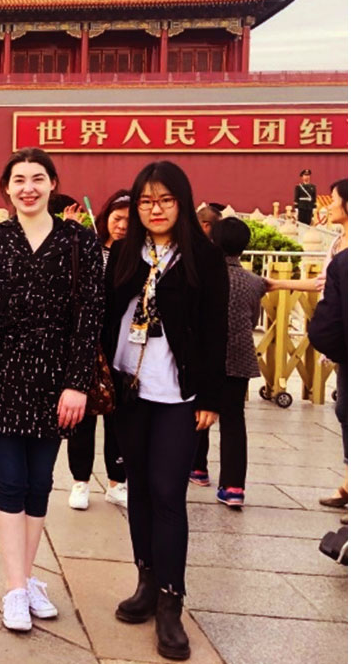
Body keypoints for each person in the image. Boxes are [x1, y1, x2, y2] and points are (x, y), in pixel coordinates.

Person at [0, 148, 102, 632]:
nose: (28, 187)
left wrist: (77, 383)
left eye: (38, 178)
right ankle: (16, 588)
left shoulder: (78, 240)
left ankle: (27, 576)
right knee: (9, 481)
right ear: (7, 188)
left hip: (56, 383)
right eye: (19, 179)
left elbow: (89, 320)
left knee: (40, 484)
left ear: (54, 184)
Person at [104, 161, 226, 662]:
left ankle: (172, 602)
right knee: (138, 491)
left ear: (182, 202)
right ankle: (146, 581)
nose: (155, 210)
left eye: (165, 200)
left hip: (179, 395)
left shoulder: (204, 258)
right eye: (146, 201)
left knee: (167, 493)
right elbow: (107, 315)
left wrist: (213, 398)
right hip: (129, 391)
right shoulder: (125, 254)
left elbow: (216, 330)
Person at [188, 218, 267, 507]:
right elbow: (255, 317)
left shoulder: (202, 275)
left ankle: (197, 468)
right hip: (239, 356)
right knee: (234, 421)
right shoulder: (253, 282)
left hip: (207, 356)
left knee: (197, 413)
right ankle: (234, 487)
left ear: (213, 241)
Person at [68, 189, 132, 510]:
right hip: (86, 343)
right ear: (106, 218)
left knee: (118, 417)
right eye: (117, 218)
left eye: (128, 222)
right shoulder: (87, 245)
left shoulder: (136, 256)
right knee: (81, 414)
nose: (121, 226)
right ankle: (80, 482)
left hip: (119, 344)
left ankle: (116, 482)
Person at [310, 180, 348, 509]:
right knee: (345, 410)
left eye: (334, 200)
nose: (328, 206)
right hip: (340, 337)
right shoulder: (337, 243)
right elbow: (323, 283)